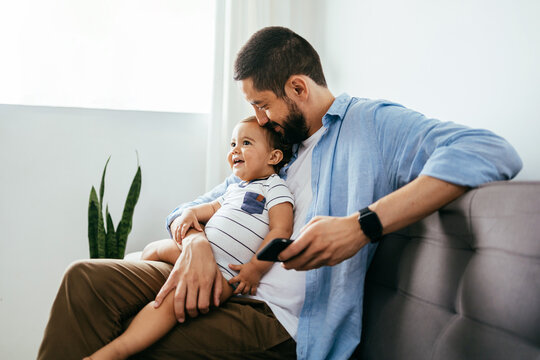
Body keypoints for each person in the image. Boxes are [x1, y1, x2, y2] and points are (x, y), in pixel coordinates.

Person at [38, 26, 522, 360]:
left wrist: (363, 225)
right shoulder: (279, 149)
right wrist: (195, 242)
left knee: (138, 342)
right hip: (225, 278)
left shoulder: (371, 125)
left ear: (297, 87)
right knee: (84, 278)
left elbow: (487, 149)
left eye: (262, 105)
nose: (259, 119)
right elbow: (194, 205)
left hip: (280, 320)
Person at [83, 116, 295, 359]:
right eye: (232, 144)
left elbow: (281, 231)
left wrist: (256, 269)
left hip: (224, 273)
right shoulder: (235, 188)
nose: (235, 150)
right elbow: (210, 208)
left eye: (246, 143)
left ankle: (116, 351)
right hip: (195, 257)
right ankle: (135, 269)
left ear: (274, 157)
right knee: (153, 249)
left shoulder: (275, 188)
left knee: (170, 305)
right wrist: (190, 213)